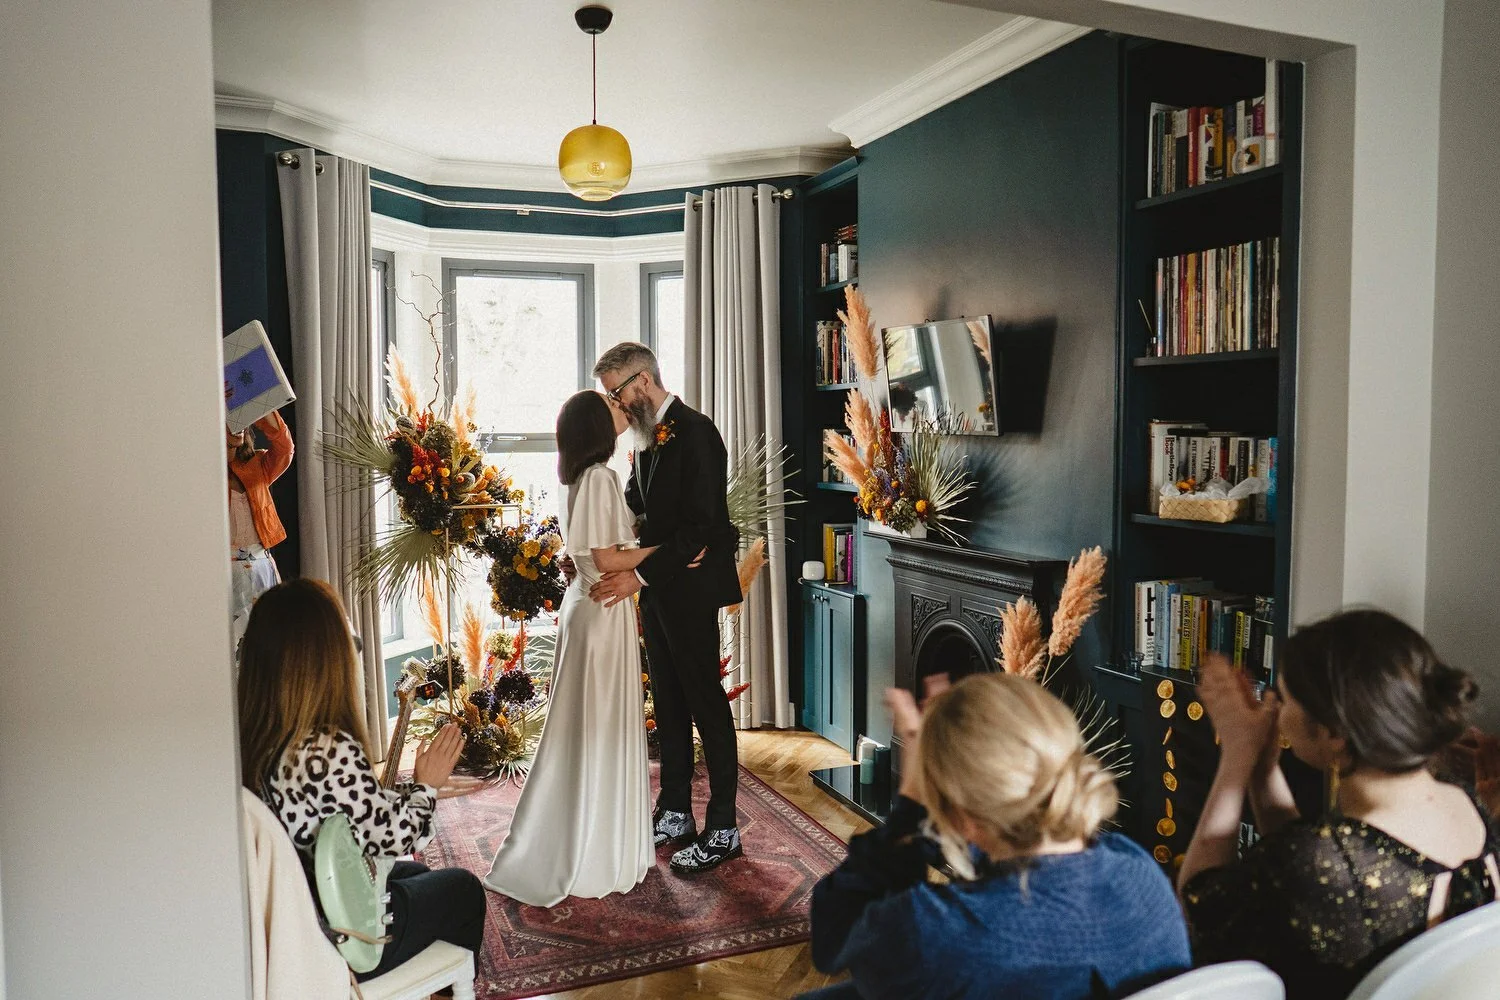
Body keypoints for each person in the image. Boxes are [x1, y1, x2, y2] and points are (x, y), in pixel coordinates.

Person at [806, 674, 1191, 1000]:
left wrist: (912, 803)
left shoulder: (925, 932)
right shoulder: (1143, 876)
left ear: (960, 817)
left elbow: (833, 940)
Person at [1179, 609, 1500, 999]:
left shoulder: (1324, 862)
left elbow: (1200, 905)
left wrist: (1235, 758)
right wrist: (1263, 772)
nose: (1277, 712)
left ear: (1333, 732)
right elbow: (1305, 869)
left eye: (1286, 699)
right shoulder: (1466, 804)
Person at [238, 578, 486, 982]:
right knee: (463, 889)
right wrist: (425, 788)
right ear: (326, 659)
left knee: (421, 879)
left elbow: (354, 815)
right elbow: (395, 839)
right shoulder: (326, 749)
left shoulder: (259, 738)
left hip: (304, 912)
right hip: (344, 934)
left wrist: (423, 787)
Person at [483, 389, 656, 905]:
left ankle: (584, 836)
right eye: (611, 407)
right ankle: (596, 847)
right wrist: (666, 552)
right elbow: (607, 558)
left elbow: (587, 555)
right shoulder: (601, 476)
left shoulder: (579, 478)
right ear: (594, 428)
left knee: (585, 727)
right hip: (602, 612)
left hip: (586, 609)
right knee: (600, 727)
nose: (621, 408)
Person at [588, 342, 744, 875]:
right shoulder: (647, 436)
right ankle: (675, 810)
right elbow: (640, 505)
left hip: (691, 592)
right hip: (659, 590)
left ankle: (723, 827)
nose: (616, 403)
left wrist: (637, 572)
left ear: (643, 380)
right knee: (671, 704)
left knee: (706, 703)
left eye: (617, 392)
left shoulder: (697, 433)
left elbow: (704, 527)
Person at [227, 400, 294, 653]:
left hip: (262, 567)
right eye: (228, 425)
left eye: (239, 424)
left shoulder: (257, 465)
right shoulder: (206, 474)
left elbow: (285, 448)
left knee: (270, 648)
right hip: (226, 573)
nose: (236, 429)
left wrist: (258, 404)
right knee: (235, 653)